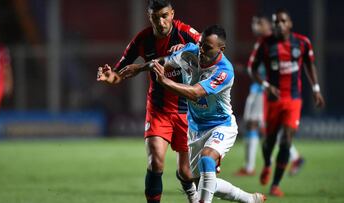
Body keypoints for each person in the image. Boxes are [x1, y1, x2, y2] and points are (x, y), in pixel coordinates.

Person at [129, 25, 266, 203]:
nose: (201, 50)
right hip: (195, 128)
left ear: (221, 49)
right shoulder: (190, 51)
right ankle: (249, 199)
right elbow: (165, 60)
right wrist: (139, 68)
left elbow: (195, 92)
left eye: (207, 47)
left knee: (207, 159)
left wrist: (164, 82)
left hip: (220, 125)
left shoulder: (224, 71)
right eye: (201, 44)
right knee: (200, 180)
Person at [97, 0, 200, 202]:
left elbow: (210, 51)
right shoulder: (142, 39)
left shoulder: (186, 33)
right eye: (155, 17)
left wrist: (188, 49)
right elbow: (119, 73)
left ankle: (192, 194)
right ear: (149, 17)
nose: (161, 22)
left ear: (172, 14)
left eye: (164, 16)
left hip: (187, 110)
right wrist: (109, 78)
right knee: (156, 162)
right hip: (159, 109)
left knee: (187, 172)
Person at [249, 9, 325, 197]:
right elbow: (252, 69)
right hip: (273, 99)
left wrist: (316, 89)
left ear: (290, 23)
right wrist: (266, 85)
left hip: (293, 99)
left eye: (283, 22)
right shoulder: (265, 45)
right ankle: (267, 163)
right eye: (276, 22)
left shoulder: (302, 42)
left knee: (286, 141)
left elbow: (309, 64)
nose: (279, 25)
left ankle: (275, 185)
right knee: (269, 142)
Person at [236, 15, 305, 177]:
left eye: (259, 23)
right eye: (253, 23)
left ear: (268, 26)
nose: (255, 26)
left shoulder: (272, 43)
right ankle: (294, 158)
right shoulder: (262, 43)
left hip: (265, 91)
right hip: (257, 88)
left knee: (257, 125)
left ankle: (250, 167)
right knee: (258, 125)